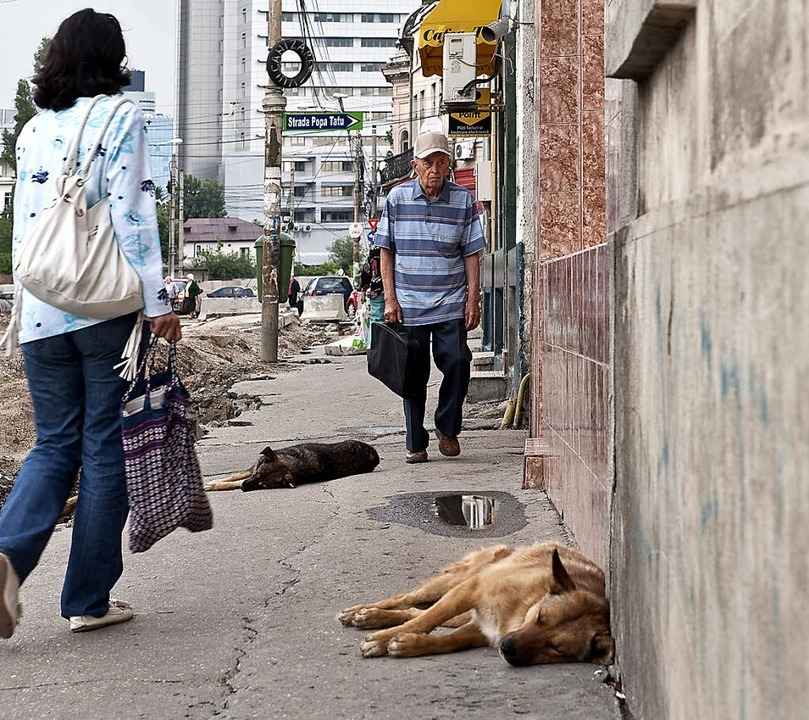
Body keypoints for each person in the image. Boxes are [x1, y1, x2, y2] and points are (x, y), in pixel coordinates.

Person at [0, 9, 182, 640]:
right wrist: (159, 302)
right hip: (105, 310)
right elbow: (133, 214)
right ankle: (87, 598)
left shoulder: (29, 132)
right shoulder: (122, 117)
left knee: (53, 445)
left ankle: (5, 558)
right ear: (112, 59)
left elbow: (29, 228)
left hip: (41, 311)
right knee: (104, 446)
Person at [374, 130, 484, 464]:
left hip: (450, 300)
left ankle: (447, 428)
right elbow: (386, 250)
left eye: (441, 162)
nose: (434, 170)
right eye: (428, 163)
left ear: (449, 165)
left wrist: (473, 298)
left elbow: (472, 253)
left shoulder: (463, 200)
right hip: (410, 304)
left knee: (459, 362)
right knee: (412, 373)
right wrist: (390, 299)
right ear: (415, 165)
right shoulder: (397, 199)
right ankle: (415, 439)